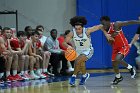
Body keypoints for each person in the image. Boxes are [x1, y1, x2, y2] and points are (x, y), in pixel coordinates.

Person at [63, 16, 103, 85]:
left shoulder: (87, 31)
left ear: (83, 27)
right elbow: (64, 43)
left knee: (77, 61)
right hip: (78, 51)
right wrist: (69, 46)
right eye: (76, 29)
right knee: (81, 64)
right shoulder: (72, 33)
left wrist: (107, 34)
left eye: (79, 29)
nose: (77, 31)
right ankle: (85, 75)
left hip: (88, 50)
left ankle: (73, 77)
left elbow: (100, 26)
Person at [100, 16, 140, 85]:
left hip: (124, 46)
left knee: (117, 59)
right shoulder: (106, 32)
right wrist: (111, 38)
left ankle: (130, 68)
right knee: (114, 64)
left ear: (108, 22)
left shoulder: (116, 24)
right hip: (115, 48)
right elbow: (109, 43)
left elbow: (129, 22)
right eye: (102, 24)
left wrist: (138, 22)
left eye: (104, 24)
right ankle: (118, 77)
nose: (104, 26)